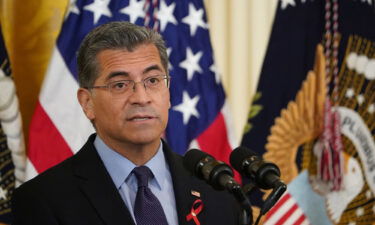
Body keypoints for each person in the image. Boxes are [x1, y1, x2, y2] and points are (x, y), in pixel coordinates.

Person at [12, 21, 240, 225]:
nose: (141, 98)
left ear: (168, 92)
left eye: (152, 81)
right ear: (87, 102)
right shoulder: (43, 200)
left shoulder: (217, 190)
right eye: (120, 84)